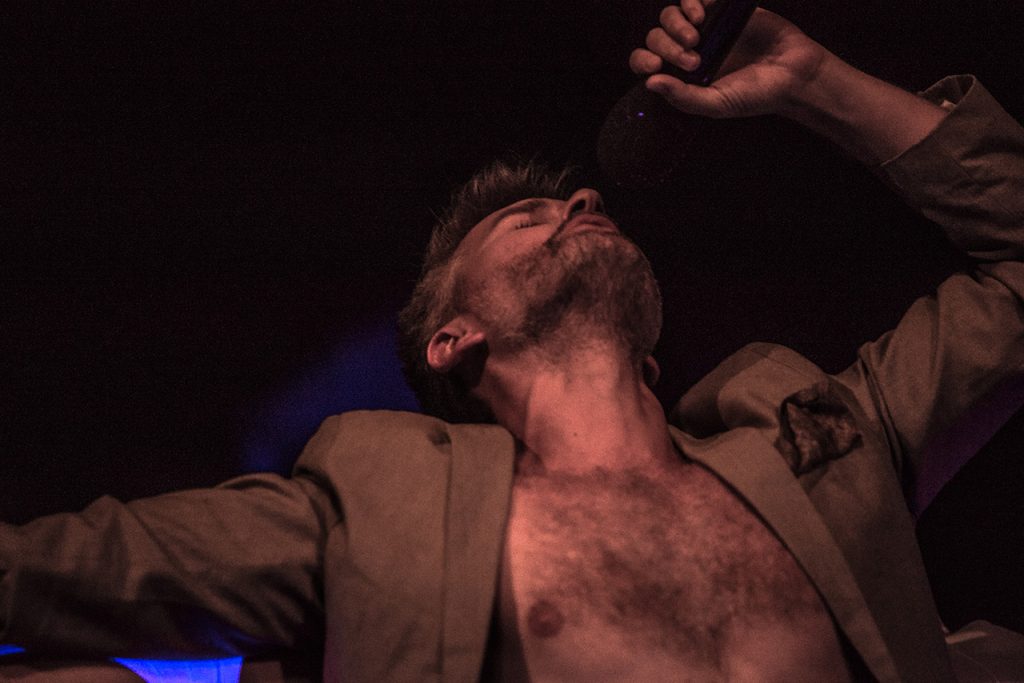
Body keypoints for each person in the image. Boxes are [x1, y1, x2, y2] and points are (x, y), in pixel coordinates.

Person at [2, 3, 1023, 681]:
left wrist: (816, 83)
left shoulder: (814, 442)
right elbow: (65, 570)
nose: (582, 201)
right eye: (526, 218)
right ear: (454, 338)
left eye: (575, 201)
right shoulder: (378, 505)